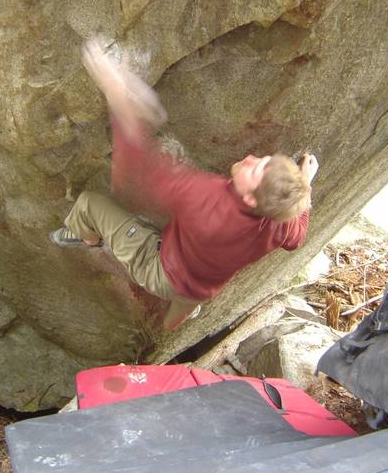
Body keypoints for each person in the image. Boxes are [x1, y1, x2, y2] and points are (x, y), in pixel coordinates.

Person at [50, 37, 319, 330]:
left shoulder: (205, 199)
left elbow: (138, 176)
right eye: (264, 161)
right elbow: (298, 235)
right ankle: (177, 320)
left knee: (89, 203)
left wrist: (116, 93)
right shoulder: (278, 221)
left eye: (256, 170)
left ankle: (88, 237)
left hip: (164, 272)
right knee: (183, 306)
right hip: (203, 286)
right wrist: (304, 183)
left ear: (253, 199)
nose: (252, 158)